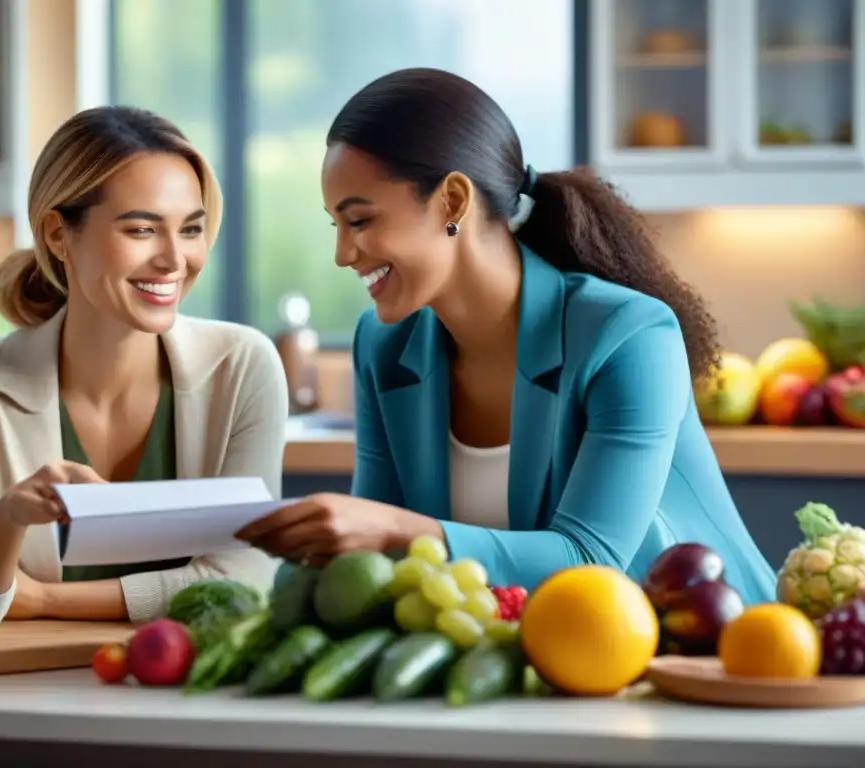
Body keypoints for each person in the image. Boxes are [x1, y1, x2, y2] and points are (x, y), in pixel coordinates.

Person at [236, 68, 776, 605]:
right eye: (336, 225)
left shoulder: (629, 336)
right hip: (541, 664)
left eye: (360, 220)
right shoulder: (384, 345)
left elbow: (591, 560)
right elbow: (376, 567)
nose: (343, 254)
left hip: (711, 656)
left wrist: (398, 532)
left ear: (452, 202)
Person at [0, 106, 287, 648]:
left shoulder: (243, 366)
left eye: (191, 229)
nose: (174, 260)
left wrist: (40, 600)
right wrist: (9, 516)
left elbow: (240, 586)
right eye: (141, 229)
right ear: (59, 236)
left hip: (198, 695)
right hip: (25, 701)